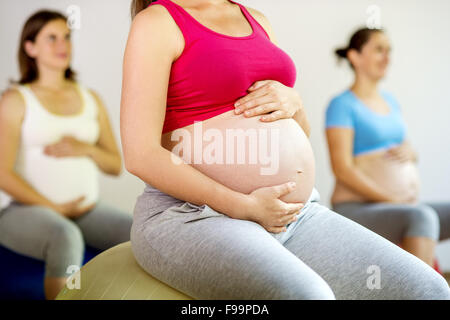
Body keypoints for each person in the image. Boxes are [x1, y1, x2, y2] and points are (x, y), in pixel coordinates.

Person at [121, 0, 450, 299]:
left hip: (295, 215)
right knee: (308, 295)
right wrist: (244, 206)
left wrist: (295, 103)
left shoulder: (257, 21)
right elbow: (140, 154)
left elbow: (299, 131)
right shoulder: (158, 22)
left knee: (427, 289)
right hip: (193, 215)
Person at [0, 10, 132, 300]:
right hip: (23, 212)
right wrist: (54, 208)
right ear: (30, 47)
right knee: (65, 236)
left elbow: (115, 165)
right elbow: (2, 174)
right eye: (52, 38)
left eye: (67, 37)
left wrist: (84, 148)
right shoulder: (15, 100)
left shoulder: (90, 98)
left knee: (139, 232)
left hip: (86, 210)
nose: (63, 45)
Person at [325, 27, 450, 267]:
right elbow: (342, 168)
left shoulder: (391, 102)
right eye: (379, 50)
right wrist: (390, 198)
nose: (387, 57)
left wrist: (412, 153)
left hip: (400, 205)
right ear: (355, 56)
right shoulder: (341, 105)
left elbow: (401, 146)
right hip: (356, 208)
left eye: (389, 51)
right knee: (421, 216)